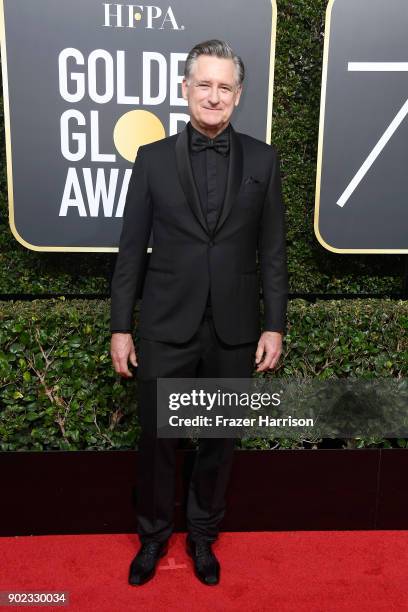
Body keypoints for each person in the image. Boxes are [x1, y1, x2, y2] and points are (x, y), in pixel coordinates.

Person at [110, 39, 288, 586]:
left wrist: (274, 323)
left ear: (238, 95)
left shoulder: (264, 159)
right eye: (203, 84)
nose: (213, 96)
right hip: (166, 324)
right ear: (185, 89)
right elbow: (130, 247)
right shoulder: (153, 158)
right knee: (159, 439)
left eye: (224, 87)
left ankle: (204, 537)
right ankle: (154, 537)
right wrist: (121, 326)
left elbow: (273, 251)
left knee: (218, 438)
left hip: (234, 328)